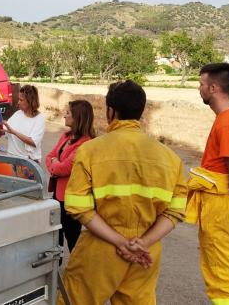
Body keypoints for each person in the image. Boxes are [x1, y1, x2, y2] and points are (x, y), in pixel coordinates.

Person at [60, 80, 188, 305]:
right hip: (145, 252)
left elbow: (77, 206)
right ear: (140, 111)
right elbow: (175, 212)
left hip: (100, 247)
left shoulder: (89, 151)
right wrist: (142, 243)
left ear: (111, 111)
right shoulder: (170, 158)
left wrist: (120, 242)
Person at [187, 63, 229, 305]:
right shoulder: (228, 119)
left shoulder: (228, 124)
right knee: (217, 265)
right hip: (218, 203)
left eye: (202, 84)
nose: (199, 88)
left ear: (213, 88)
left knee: (220, 269)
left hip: (220, 205)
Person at [44, 100, 95, 253]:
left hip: (71, 198)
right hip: (58, 195)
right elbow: (49, 156)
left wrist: (54, 164)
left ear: (78, 117)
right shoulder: (66, 136)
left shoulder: (85, 143)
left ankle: (79, 272)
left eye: (68, 113)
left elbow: (65, 168)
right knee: (55, 235)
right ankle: (56, 269)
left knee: (72, 238)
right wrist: (55, 163)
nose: (64, 115)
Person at [3, 85, 45, 178]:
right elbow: (6, 130)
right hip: (11, 160)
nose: (18, 102)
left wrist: (14, 132)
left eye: (21, 100)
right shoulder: (17, 114)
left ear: (30, 101)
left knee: (26, 191)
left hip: (27, 163)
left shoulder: (39, 119)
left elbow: (33, 142)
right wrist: (0, 127)